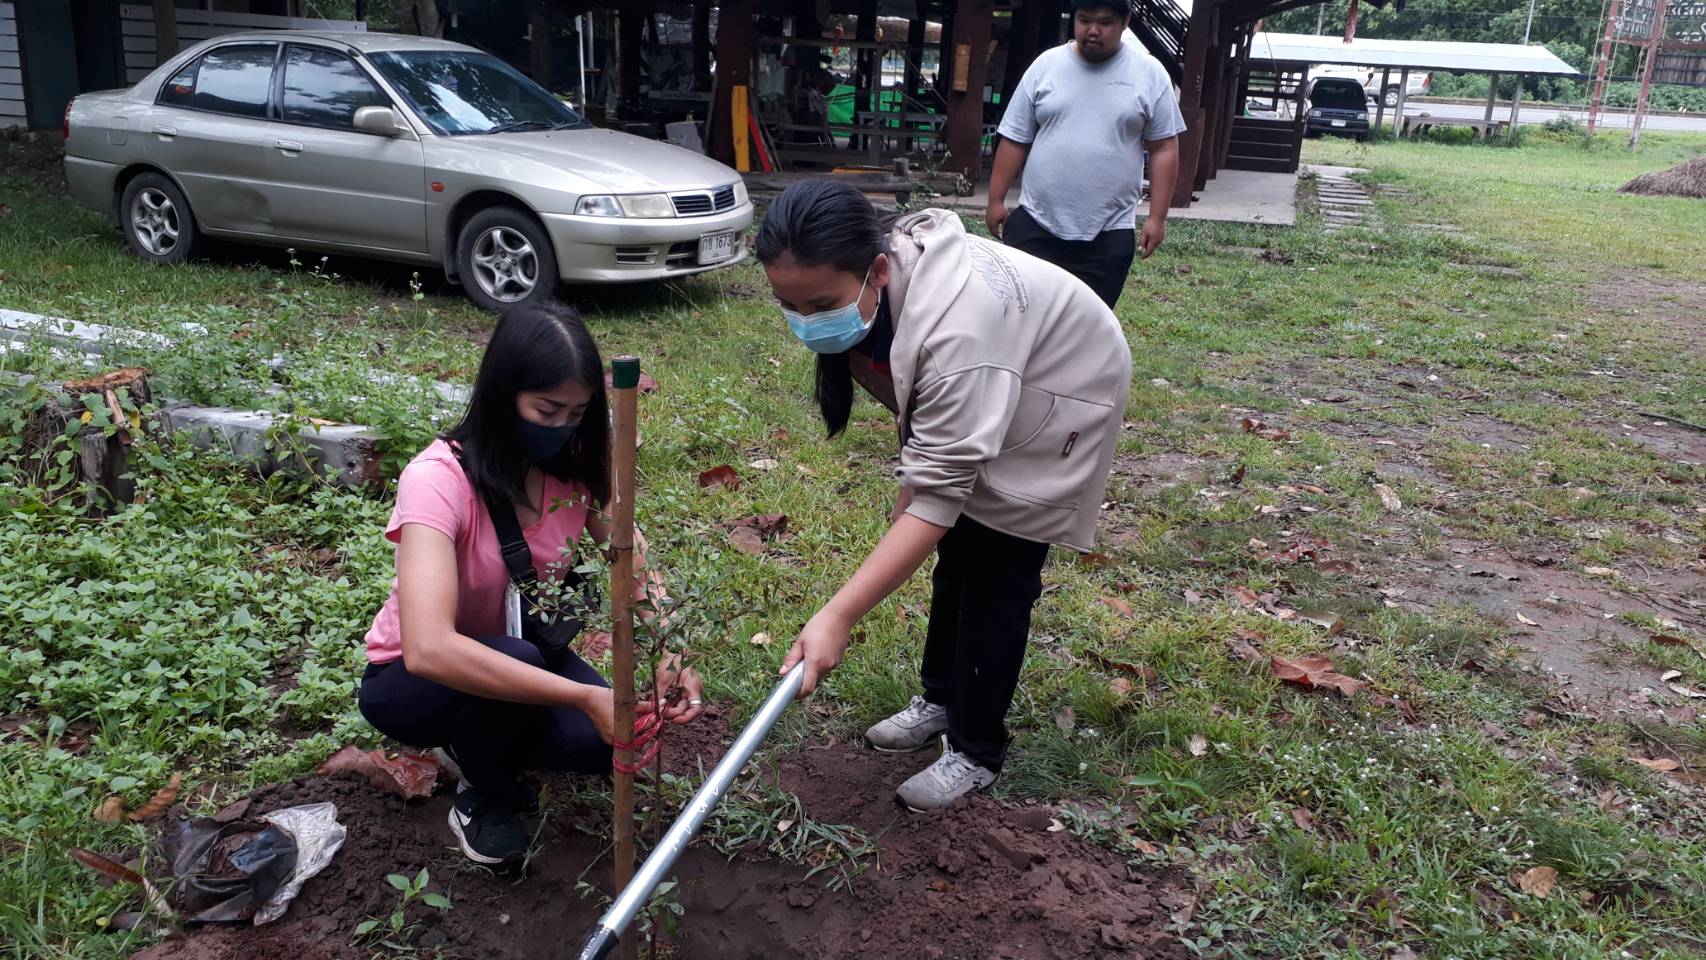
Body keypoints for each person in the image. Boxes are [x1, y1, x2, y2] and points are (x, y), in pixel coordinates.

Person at [760, 181, 1132, 812]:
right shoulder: (889, 285)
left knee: (997, 573)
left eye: (820, 304)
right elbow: (931, 443)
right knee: (954, 559)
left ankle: (975, 750)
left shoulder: (960, 332)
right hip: (1000, 370)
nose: (806, 321)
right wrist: (919, 491)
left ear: (878, 269)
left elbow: (937, 493)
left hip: (1059, 391)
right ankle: (941, 698)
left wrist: (838, 615)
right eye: (787, 305)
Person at [357, 302, 705, 869]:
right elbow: (428, 648)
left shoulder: (578, 467)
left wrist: (673, 645)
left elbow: (630, 559)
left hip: (525, 651)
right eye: (546, 410)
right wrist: (582, 696)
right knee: (528, 672)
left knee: (596, 745)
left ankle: (487, 736)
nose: (562, 427)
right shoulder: (436, 480)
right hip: (414, 681)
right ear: (503, 394)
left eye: (577, 412)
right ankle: (481, 790)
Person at [985, 0, 1188, 308]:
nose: (1092, 30)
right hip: (1036, 223)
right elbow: (1016, 138)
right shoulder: (1046, 66)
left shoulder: (1149, 74)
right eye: (1084, 20)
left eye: (1105, 22)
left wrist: (1157, 218)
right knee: (1022, 318)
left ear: (1125, 22)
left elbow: (1163, 148)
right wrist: (995, 199)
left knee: (1089, 326)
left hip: (1108, 233)